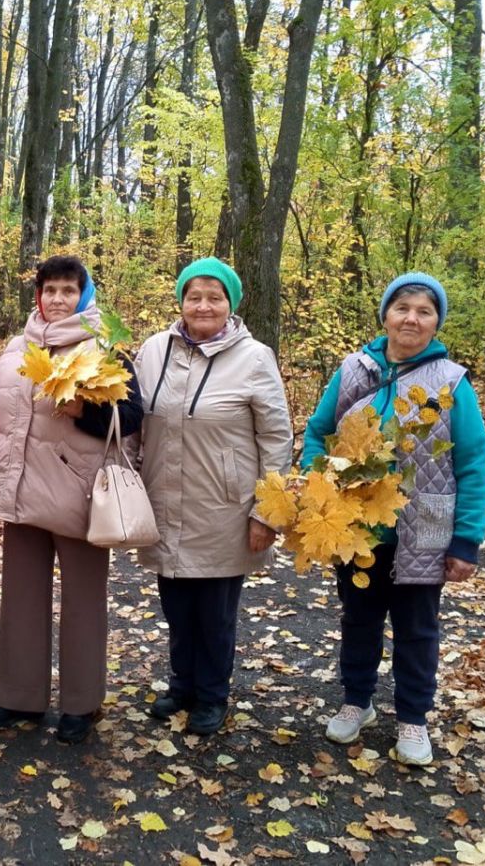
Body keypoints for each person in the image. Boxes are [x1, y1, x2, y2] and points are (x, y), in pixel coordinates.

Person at [302, 272, 485, 766]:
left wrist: (466, 540)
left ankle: (412, 718)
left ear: (435, 324)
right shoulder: (354, 371)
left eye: (424, 311)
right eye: (402, 307)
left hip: (423, 529)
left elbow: (472, 462)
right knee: (358, 619)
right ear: (385, 315)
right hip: (356, 526)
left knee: (417, 628)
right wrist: (318, 482)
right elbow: (318, 433)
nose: (411, 317)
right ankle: (356, 702)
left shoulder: (450, 382)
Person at [0, 256, 144, 744]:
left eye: (68, 290)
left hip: (79, 493)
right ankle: (19, 698)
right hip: (22, 492)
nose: (57, 299)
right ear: (38, 296)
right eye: (49, 290)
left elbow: (131, 417)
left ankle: (80, 704)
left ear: (83, 296)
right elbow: (4, 422)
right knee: (21, 600)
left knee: (83, 602)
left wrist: (82, 412)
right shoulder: (14, 349)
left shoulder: (105, 348)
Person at [134, 257, 293, 736]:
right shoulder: (154, 349)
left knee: (215, 610)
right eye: (194, 296)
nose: (203, 306)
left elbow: (276, 438)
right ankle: (182, 684)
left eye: (214, 297)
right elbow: (133, 417)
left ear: (231, 304)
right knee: (176, 603)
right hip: (164, 497)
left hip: (225, 506)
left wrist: (268, 512)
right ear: (181, 300)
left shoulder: (254, 357)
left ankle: (212, 694)